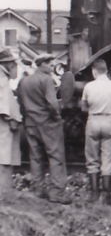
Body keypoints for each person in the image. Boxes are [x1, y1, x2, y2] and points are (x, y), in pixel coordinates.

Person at [17, 54, 71, 204]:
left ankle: (38, 190)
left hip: (31, 123)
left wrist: (27, 117)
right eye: (49, 64)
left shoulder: (24, 81)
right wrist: (57, 117)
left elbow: (21, 103)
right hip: (47, 123)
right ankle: (56, 192)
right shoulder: (46, 79)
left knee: (36, 157)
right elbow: (52, 103)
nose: (51, 67)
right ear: (41, 64)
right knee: (55, 156)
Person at [80, 59, 111, 203]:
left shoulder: (89, 86)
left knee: (92, 159)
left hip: (94, 120)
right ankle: (107, 197)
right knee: (108, 159)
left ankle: (94, 194)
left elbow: (83, 107)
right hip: (109, 120)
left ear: (94, 71)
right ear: (107, 71)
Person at [0, 49, 22, 194]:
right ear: (7, 64)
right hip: (4, 124)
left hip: (4, 123)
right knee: (4, 155)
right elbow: (2, 103)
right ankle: (4, 190)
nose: (15, 66)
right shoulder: (1, 78)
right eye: (13, 63)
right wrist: (11, 119)